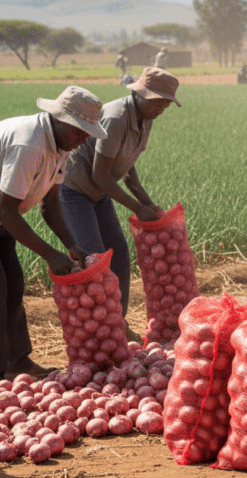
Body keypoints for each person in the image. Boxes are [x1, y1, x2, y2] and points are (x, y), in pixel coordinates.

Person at [0, 85, 106, 384]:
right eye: (81, 131)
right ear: (60, 119)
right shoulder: (30, 144)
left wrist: (71, 245)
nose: (84, 138)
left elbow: (49, 204)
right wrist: (51, 255)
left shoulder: (62, 146)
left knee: (12, 281)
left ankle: (17, 362)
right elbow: (6, 212)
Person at [59, 68, 181, 343]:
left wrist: (147, 201)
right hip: (76, 189)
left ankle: (117, 323)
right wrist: (138, 208)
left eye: (166, 103)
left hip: (100, 192)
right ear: (139, 93)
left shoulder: (146, 117)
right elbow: (99, 175)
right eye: (157, 100)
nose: (161, 107)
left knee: (119, 255)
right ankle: (96, 334)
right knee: (95, 261)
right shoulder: (116, 118)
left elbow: (126, 166)